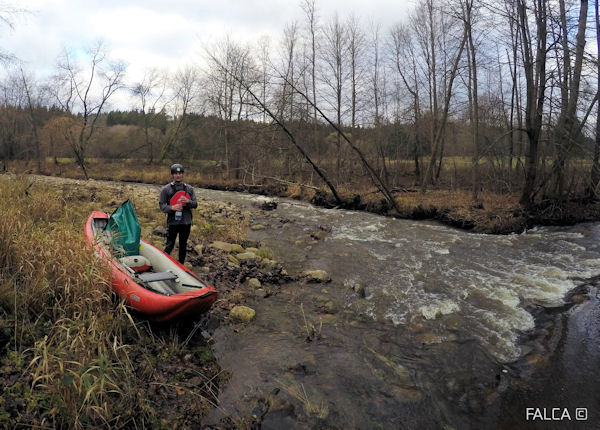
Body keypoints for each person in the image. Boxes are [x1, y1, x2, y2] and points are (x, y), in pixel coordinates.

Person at [159, 163, 198, 263]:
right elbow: (162, 206)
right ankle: (162, 262)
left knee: (183, 245)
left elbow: (195, 204)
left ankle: (181, 265)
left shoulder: (189, 189)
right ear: (172, 175)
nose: (178, 175)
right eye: (176, 173)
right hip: (173, 222)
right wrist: (172, 207)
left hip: (186, 222)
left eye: (180, 173)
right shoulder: (166, 189)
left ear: (182, 174)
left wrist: (188, 202)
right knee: (170, 244)